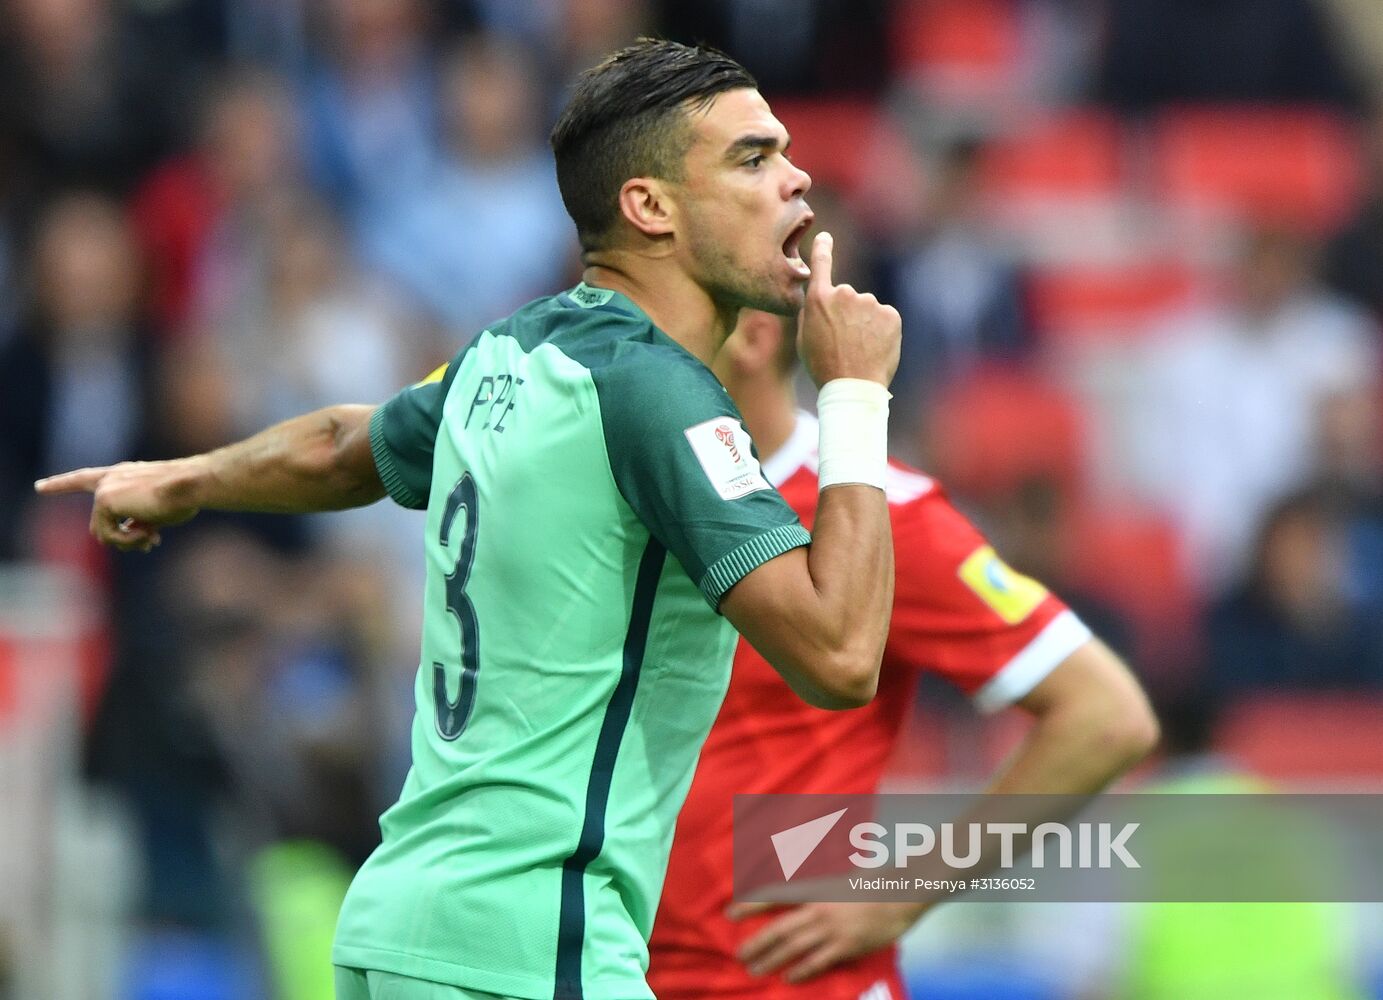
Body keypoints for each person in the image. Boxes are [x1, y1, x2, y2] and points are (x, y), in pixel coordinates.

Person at [35, 39, 902, 1000]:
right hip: (533, 944)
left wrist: (185, 479)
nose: (796, 176)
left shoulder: (507, 351)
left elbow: (340, 446)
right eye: (752, 156)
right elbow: (838, 656)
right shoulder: (659, 394)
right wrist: (855, 395)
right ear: (648, 206)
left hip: (398, 926)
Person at [646, 309, 1159, 1000]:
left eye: (656, 312)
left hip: (784, 983)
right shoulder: (617, 502)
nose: (624, 340)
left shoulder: (876, 512)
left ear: (754, 337)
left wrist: (899, 893)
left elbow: (1105, 715)